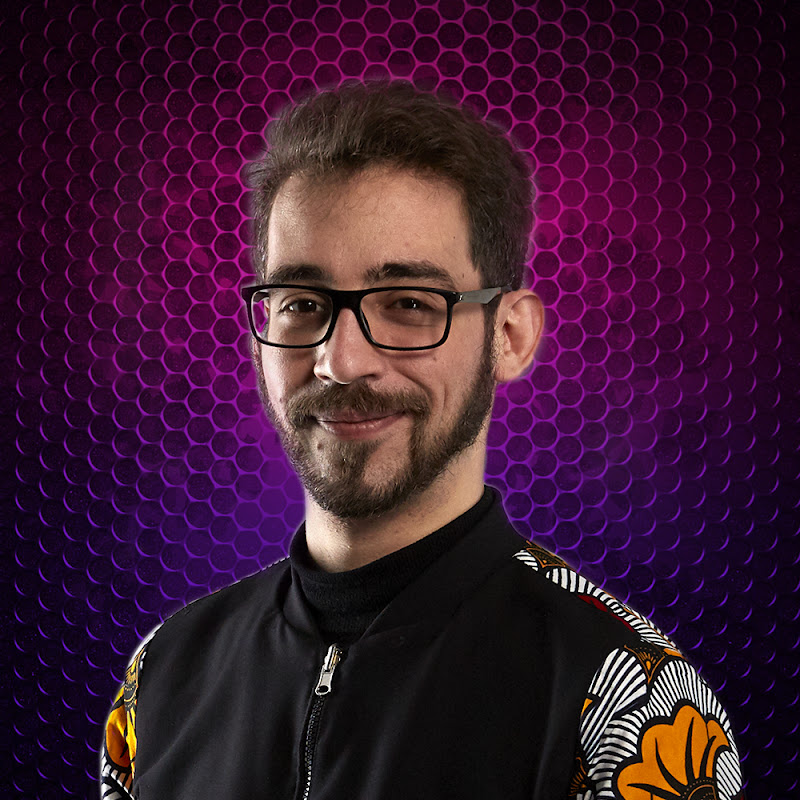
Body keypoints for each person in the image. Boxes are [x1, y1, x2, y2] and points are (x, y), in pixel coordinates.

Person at [101, 82, 744, 799]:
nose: (341, 361)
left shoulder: (629, 701)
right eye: (303, 304)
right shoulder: (161, 677)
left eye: (409, 303)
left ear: (510, 336)